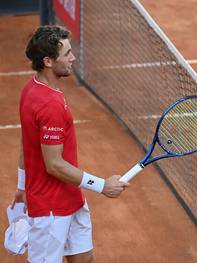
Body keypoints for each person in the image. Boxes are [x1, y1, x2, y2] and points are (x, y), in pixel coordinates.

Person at [11, 25, 129, 263]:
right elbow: (54, 165)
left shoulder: (33, 88)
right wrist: (102, 185)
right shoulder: (49, 104)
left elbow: (26, 143)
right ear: (48, 61)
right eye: (66, 54)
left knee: (85, 260)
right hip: (50, 212)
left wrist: (22, 186)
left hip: (71, 201)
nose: (73, 57)